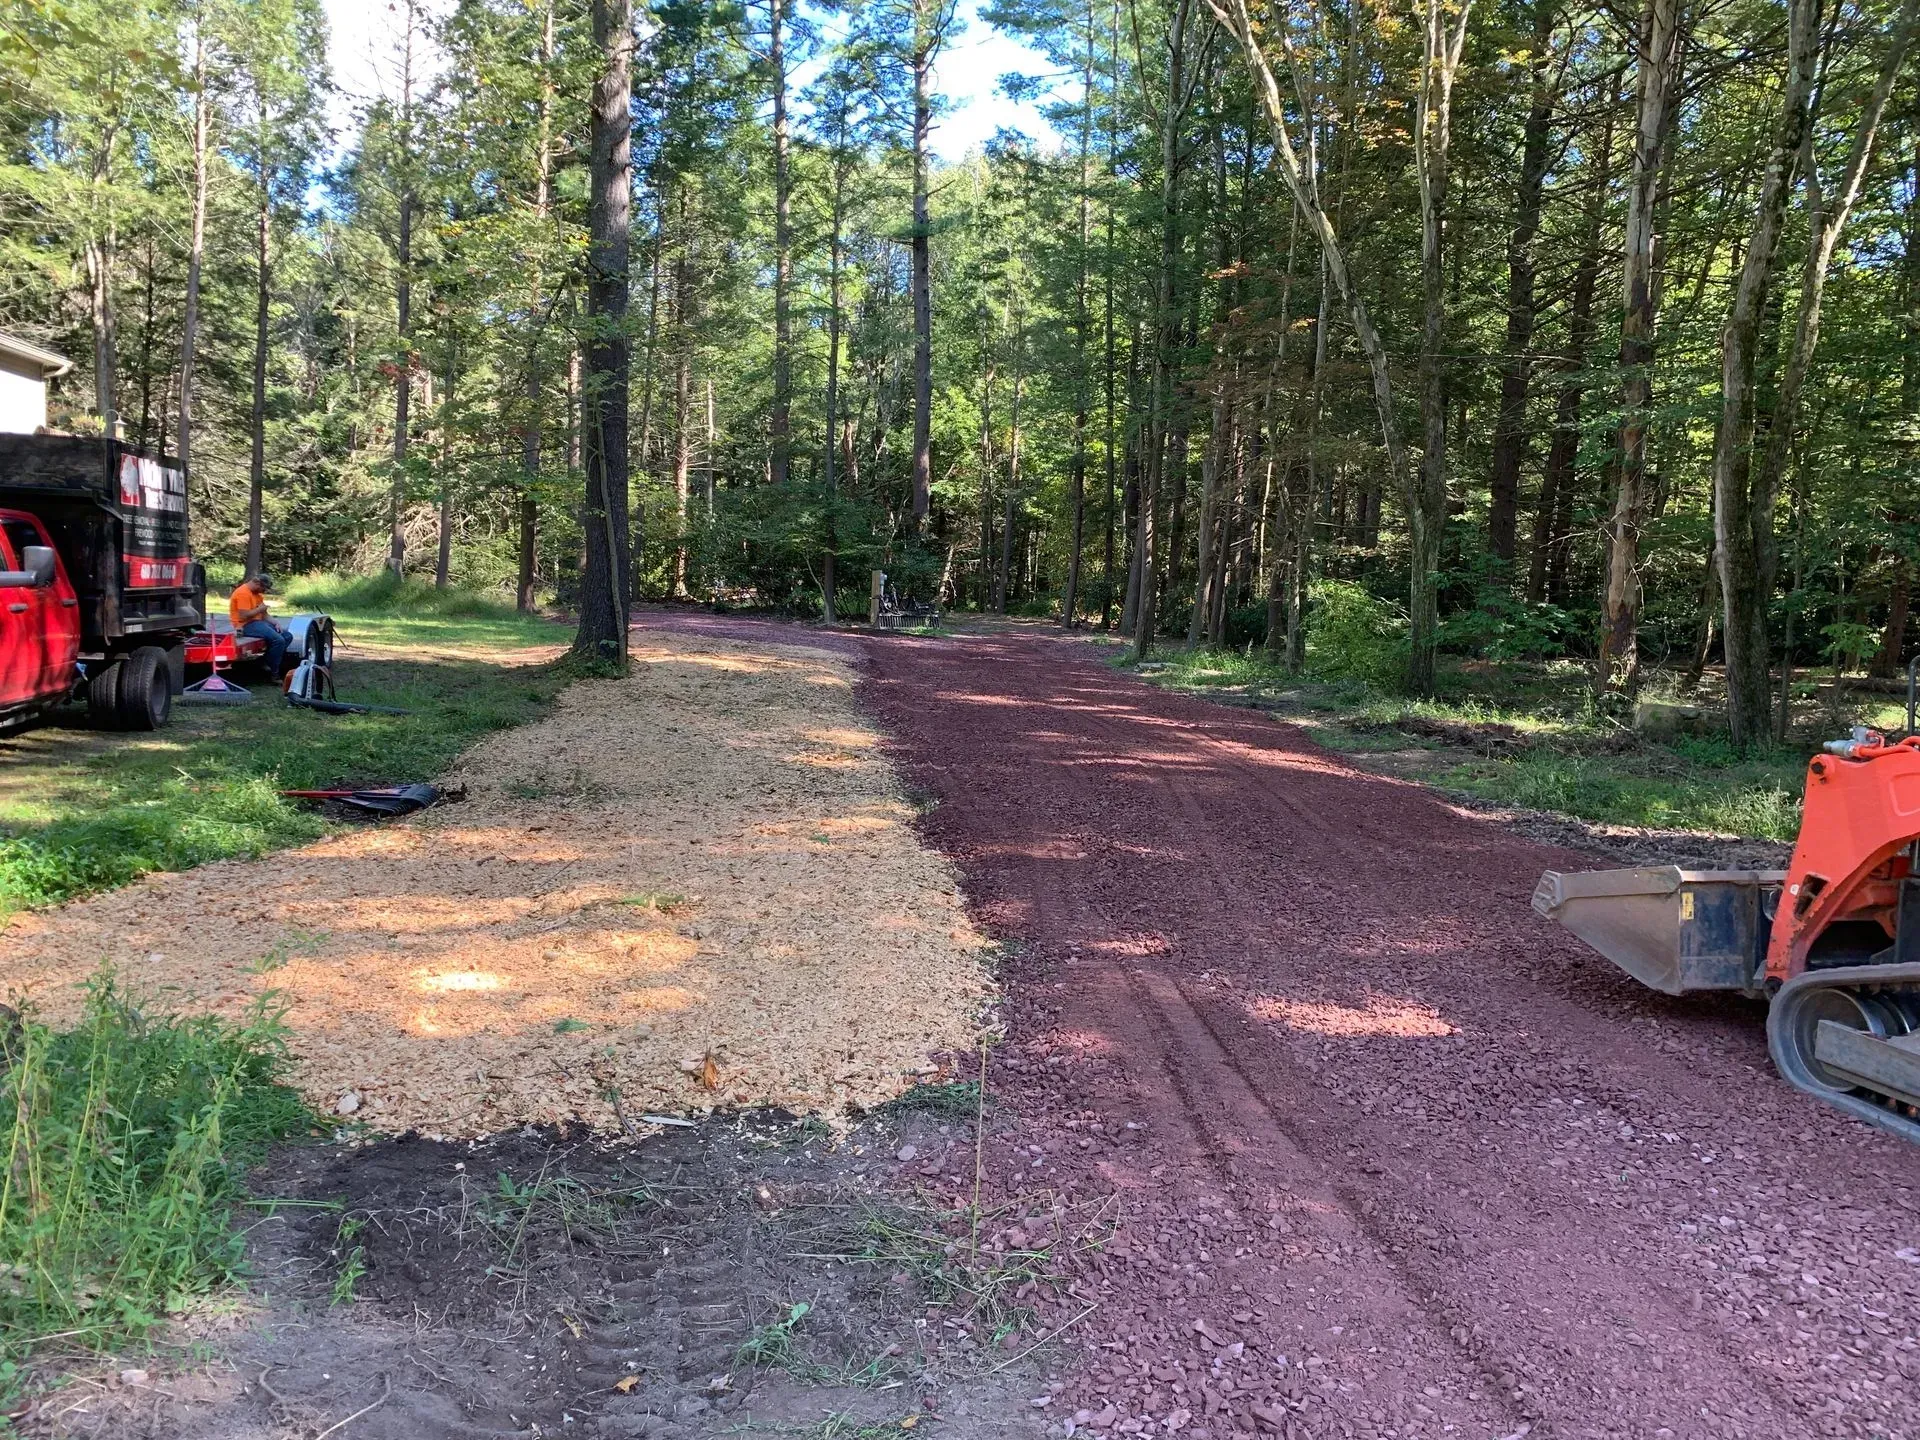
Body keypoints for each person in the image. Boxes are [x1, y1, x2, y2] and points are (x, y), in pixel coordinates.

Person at [229, 572, 291, 678]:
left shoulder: (257, 595)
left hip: (258, 623)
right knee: (278, 640)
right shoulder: (243, 593)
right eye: (264, 588)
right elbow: (244, 616)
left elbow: (264, 614)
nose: (264, 591)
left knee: (287, 636)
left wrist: (275, 622)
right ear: (258, 583)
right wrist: (260, 609)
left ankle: (264, 662)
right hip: (245, 625)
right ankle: (273, 671)